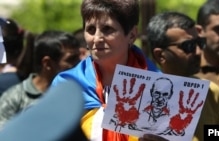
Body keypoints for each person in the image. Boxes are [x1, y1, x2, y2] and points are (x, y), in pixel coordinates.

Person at [51, 0, 168, 141]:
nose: (97, 38)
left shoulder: (161, 89)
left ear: (131, 35)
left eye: (107, 29)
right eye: (90, 29)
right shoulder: (66, 86)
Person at [146, 11, 219, 141]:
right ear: (160, 55)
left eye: (199, 43)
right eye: (188, 46)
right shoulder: (139, 97)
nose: (199, 52)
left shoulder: (210, 91)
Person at [0, 30, 81, 130]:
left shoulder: (81, 94)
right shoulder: (15, 98)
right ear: (47, 63)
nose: (80, 63)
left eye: (79, 57)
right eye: (71, 59)